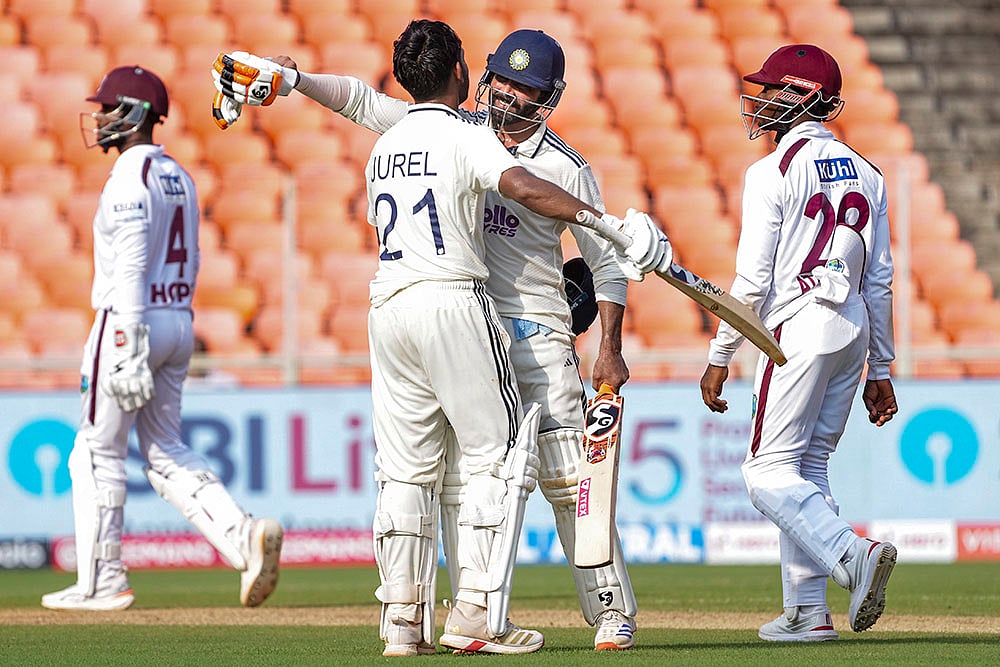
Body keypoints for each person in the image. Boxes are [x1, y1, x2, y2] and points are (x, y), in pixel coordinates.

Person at [215, 20, 668, 656]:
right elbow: (361, 101)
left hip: (535, 332)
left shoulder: (567, 168)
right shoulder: (456, 131)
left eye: (524, 89)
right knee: (460, 479)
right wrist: (295, 79)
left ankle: (611, 612)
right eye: (501, 81)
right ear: (478, 76)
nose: (507, 96)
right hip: (467, 327)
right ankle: (468, 610)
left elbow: (606, 266)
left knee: (570, 480)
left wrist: (611, 348)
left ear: (547, 99)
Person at [41, 66, 283, 612]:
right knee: (165, 448)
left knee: (94, 451)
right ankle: (242, 536)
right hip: (176, 318)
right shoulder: (179, 175)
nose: (100, 118)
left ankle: (102, 580)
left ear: (133, 113)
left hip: (130, 321)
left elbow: (130, 265)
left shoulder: (129, 178)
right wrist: (173, 319)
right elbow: (192, 258)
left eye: (108, 108)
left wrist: (127, 344)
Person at [697, 45, 899, 641]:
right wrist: (880, 368)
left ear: (800, 97)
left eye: (771, 90)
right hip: (853, 328)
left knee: (764, 473)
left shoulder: (771, 172)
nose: (760, 101)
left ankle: (852, 554)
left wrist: (720, 354)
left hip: (798, 324)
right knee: (807, 468)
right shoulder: (868, 172)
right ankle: (808, 610)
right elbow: (880, 279)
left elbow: (752, 282)